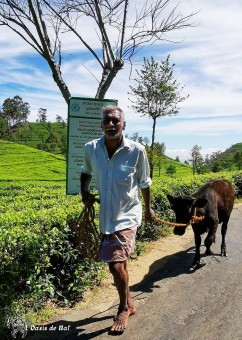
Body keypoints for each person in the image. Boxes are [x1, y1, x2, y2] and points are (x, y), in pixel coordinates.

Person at [80, 105, 155, 333]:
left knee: (115, 264)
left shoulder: (137, 150)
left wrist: (148, 210)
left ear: (124, 125)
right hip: (106, 216)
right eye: (107, 121)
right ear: (101, 124)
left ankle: (122, 309)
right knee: (119, 264)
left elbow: (144, 182)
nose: (111, 125)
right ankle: (129, 302)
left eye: (115, 121)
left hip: (128, 215)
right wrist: (84, 192)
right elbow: (86, 171)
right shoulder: (91, 148)